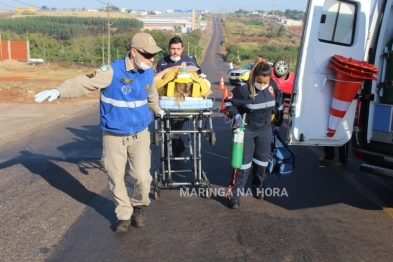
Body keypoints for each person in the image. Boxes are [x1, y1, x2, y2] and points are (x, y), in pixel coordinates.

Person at [34, 32, 165, 233]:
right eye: (147, 55)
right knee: (116, 177)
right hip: (114, 135)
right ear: (133, 52)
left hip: (140, 134)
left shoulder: (147, 71)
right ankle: (123, 214)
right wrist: (58, 91)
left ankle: (139, 205)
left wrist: (158, 111)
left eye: (153, 55)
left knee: (142, 177)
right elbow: (82, 82)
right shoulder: (111, 71)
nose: (151, 59)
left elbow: (152, 94)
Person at [224, 57, 284, 209]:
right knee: (243, 166)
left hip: (265, 130)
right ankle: (235, 196)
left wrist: (278, 124)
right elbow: (228, 102)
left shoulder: (273, 86)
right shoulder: (243, 89)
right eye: (259, 82)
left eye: (265, 82)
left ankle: (258, 188)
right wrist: (236, 116)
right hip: (248, 130)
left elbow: (280, 104)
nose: (262, 85)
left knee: (262, 164)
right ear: (253, 77)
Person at [155, 36, 203, 157]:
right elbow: (155, 80)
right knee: (168, 130)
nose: (175, 51)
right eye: (173, 48)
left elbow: (200, 78)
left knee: (174, 129)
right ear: (169, 49)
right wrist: (171, 69)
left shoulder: (190, 61)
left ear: (182, 49)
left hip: (185, 101)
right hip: (167, 101)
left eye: (178, 48)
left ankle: (174, 149)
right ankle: (172, 151)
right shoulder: (163, 62)